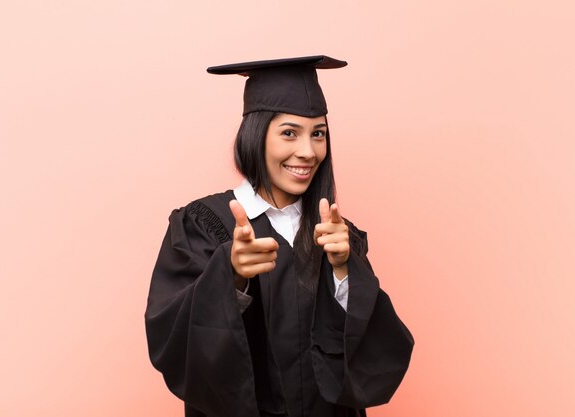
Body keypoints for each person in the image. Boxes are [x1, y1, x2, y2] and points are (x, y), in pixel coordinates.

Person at [144, 55, 414, 417]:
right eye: (289, 133)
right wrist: (231, 276)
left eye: (318, 134)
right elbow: (173, 340)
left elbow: (374, 350)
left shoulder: (334, 234)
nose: (308, 151)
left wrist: (344, 272)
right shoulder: (203, 225)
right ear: (256, 135)